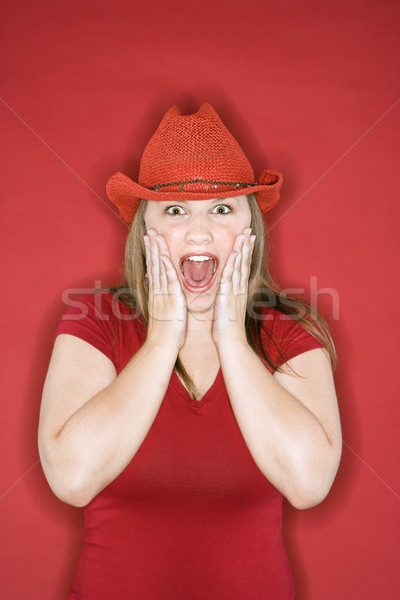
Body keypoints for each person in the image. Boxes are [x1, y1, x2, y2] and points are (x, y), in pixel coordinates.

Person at [38, 103, 342, 599]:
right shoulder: (93, 319)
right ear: (146, 229)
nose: (199, 232)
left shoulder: (288, 331)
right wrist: (162, 338)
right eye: (175, 210)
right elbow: (71, 478)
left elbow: (308, 485)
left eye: (221, 208)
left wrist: (231, 339)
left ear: (250, 229)